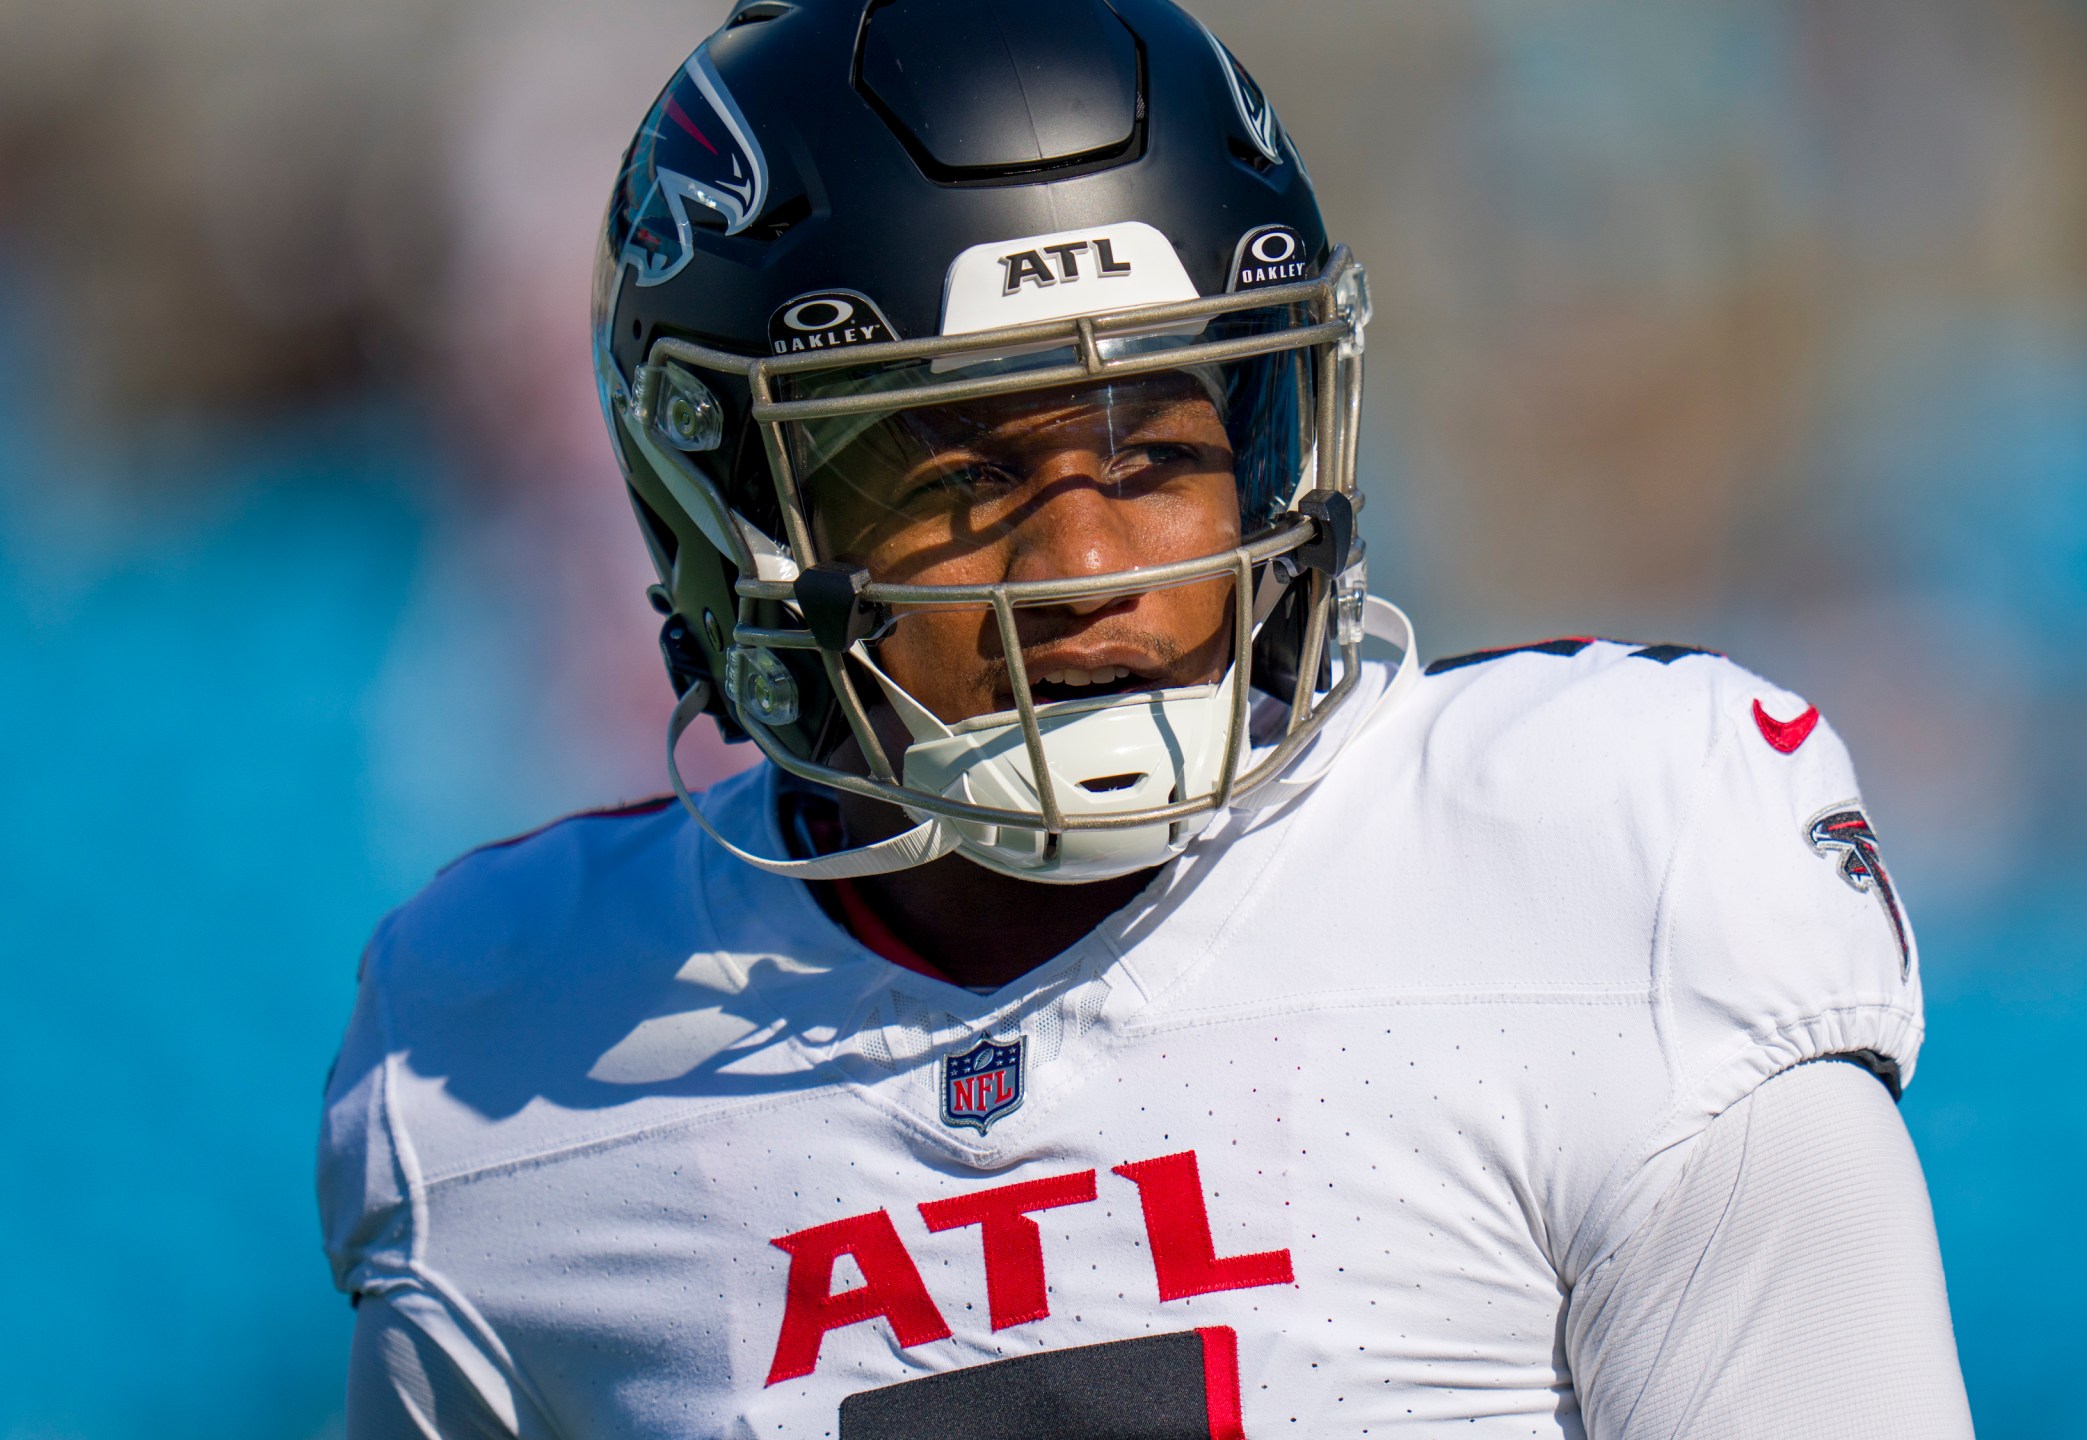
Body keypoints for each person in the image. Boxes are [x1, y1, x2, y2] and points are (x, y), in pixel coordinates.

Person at [317, 0, 1973, 1434]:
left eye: (1160, 455)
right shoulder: (504, 1075)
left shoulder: (1613, 876)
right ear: (735, 528)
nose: (1092, 565)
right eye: (963, 477)